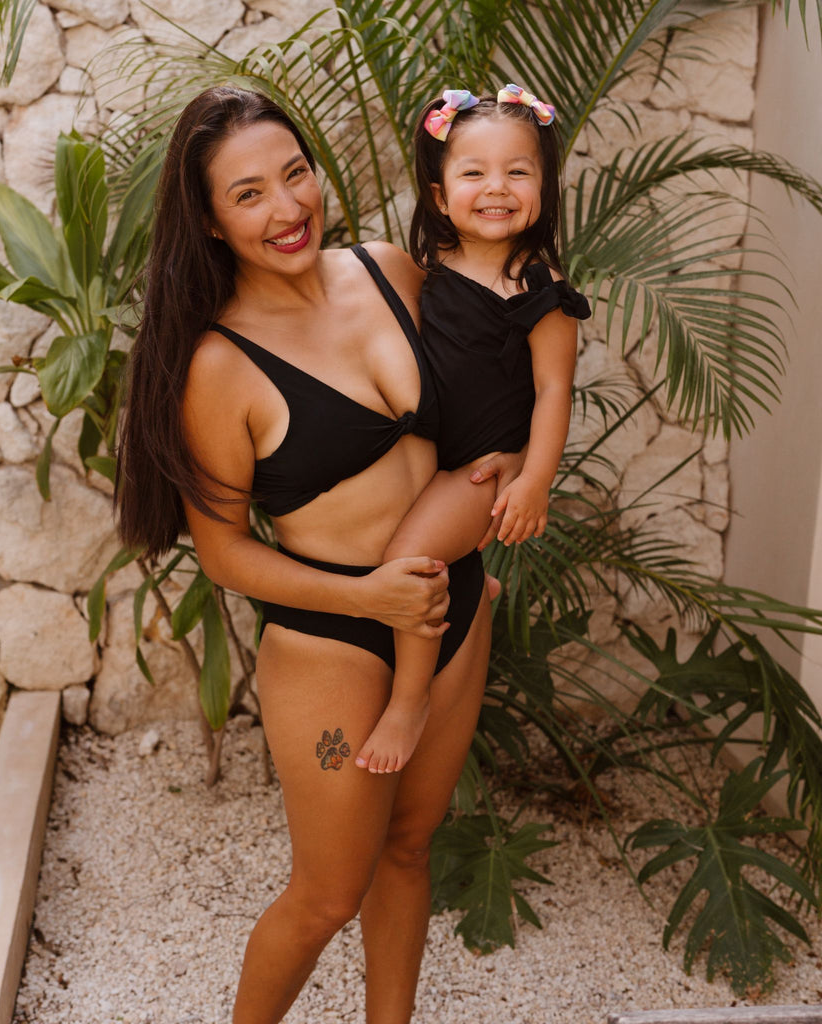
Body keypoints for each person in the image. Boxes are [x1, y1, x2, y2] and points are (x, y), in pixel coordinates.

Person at [114, 85, 525, 1024]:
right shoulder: (220, 369)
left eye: (295, 173)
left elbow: (472, 402)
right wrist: (373, 599)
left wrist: (491, 484)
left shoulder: (390, 269)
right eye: (248, 194)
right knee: (327, 896)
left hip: (451, 608)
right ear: (211, 222)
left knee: (412, 849)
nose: (288, 207)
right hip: (334, 639)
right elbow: (223, 554)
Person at [354, 86, 591, 775]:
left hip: (476, 469)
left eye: (518, 172)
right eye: (473, 172)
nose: (497, 188)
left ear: (544, 186)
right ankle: (471, 580)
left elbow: (554, 389)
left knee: (408, 558)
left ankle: (409, 699)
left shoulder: (538, 285)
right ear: (438, 192)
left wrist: (534, 478)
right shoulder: (425, 274)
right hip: (426, 460)